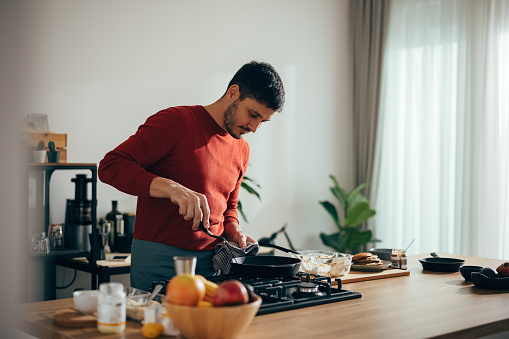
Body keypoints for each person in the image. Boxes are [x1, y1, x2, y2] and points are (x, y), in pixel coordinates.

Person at [98, 61, 285, 290]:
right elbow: (110, 165)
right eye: (252, 114)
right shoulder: (176, 122)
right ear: (233, 93)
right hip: (160, 262)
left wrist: (233, 227)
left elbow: (229, 207)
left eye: (262, 121)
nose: (254, 128)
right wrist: (172, 189)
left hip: (212, 268)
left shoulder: (241, 149)